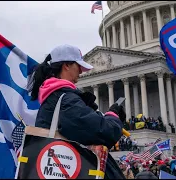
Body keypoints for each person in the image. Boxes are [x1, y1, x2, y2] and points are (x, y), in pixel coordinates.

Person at [28, 44, 126, 179]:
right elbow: (103, 132)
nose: (81, 71)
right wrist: (113, 116)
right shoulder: (65, 100)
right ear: (66, 65)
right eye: (78, 66)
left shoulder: (57, 98)